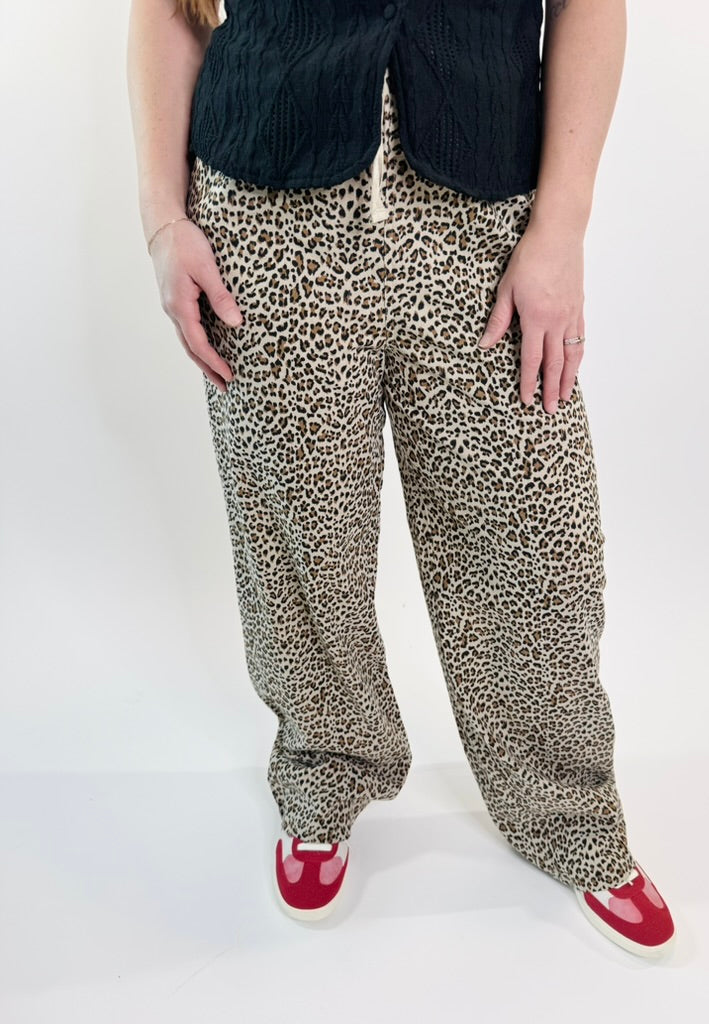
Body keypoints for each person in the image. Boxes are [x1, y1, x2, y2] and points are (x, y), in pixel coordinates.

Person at [127, 0, 675, 958]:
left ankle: (568, 809)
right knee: (300, 540)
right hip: (267, 218)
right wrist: (163, 219)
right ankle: (324, 773)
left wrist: (561, 227)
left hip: (482, 220)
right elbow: (168, 11)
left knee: (536, 543)